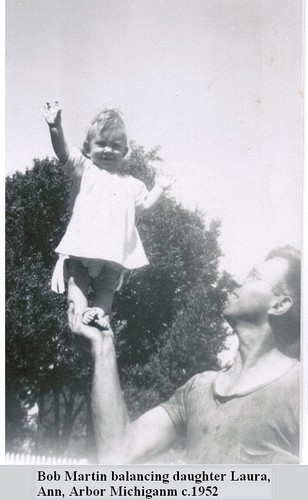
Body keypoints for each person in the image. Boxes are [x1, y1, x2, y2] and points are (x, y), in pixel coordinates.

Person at [74, 245, 301, 464]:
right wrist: (103, 347)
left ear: (280, 304)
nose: (236, 278)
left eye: (253, 275)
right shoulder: (199, 389)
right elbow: (117, 454)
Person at [43, 102, 174, 331]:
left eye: (115, 146)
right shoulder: (85, 169)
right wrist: (55, 127)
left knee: (107, 285)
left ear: (125, 152)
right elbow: (62, 152)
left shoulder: (132, 183)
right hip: (83, 243)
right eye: (101, 144)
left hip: (114, 249)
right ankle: (81, 311)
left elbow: (144, 206)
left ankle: (101, 313)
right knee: (77, 279)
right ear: (87, 147)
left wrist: (160, 188)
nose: (107, 150)